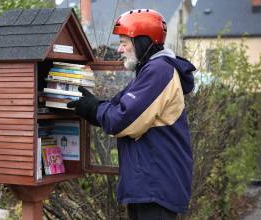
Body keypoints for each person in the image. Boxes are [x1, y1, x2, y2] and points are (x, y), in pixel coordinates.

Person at [68, 9, 196, 220]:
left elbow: (122, 120)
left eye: (124, 42)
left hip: (156, 186)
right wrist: (90, 105)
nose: (119, 49)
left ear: (143, 42)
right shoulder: (148, 70)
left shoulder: (159, 71)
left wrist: (92, 107)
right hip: (147, 184)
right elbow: (118, 106)